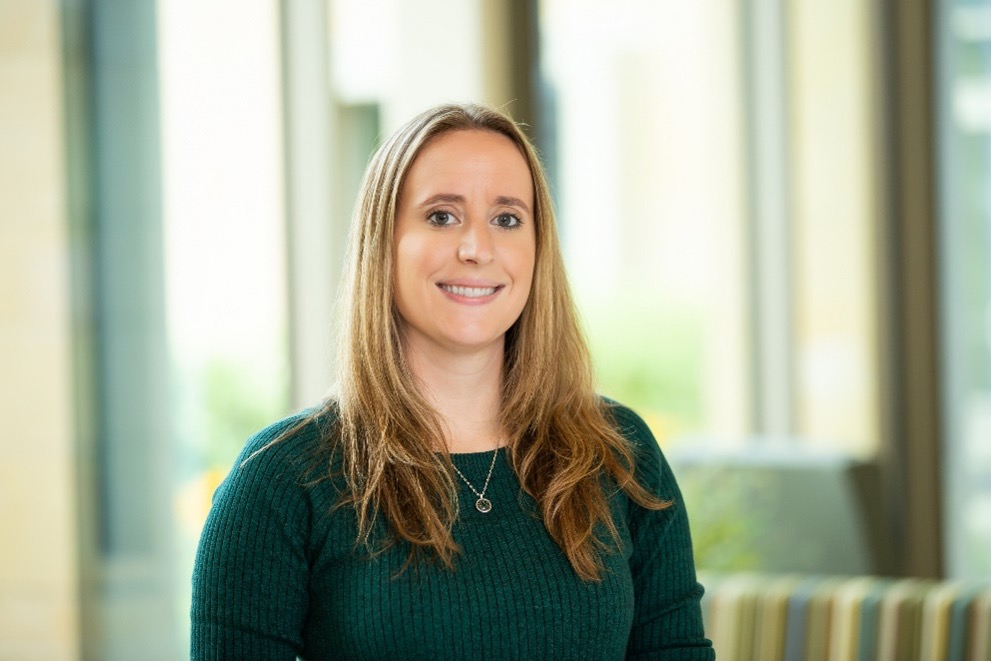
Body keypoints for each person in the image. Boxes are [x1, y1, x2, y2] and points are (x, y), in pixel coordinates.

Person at [190, 103, 715, 660]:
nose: (477, 248)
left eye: (507, 218)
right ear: (383, 244)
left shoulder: (619, 454)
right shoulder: (279, 481)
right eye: (441, 216)